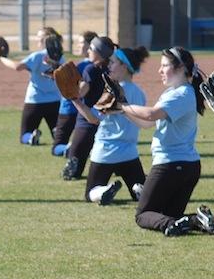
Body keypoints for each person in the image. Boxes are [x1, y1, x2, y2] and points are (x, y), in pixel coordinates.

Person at [121, 46, 214, 236]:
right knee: (169, 215)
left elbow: (151, 114)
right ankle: (197, 219)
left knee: (143, 215)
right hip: (186, 166)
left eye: (165, 65)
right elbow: (146, 123)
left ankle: (170, 225)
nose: (160, 70)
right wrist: (122, 110)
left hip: (170, 165)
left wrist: (122, 105)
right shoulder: (175, 92)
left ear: (181, 68)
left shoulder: (181, 93)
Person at [72, 45, 149, 204]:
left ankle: (103, 191)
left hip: (105, 151)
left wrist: (74, 99)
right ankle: (139, 189)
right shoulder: (139, 92)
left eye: (113, 62)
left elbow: (93, 118)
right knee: (139, 193)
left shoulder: (113, 91)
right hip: (129, 152)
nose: (109, 66)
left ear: (125, 66)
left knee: (90, 194)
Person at [61, 36, 117, 180]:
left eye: (91, 48)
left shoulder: (91, 69)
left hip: (86, 120)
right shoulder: (112, 68)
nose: (88, 51)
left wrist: (68, 86)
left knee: (73, 169)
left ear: (99, 53)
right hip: (108, 118)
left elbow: (80, 93)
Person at [0, 26, 63, 146]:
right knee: (59, 135)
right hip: (55, 100)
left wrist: (2, 58)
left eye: (39, 37)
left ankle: (30, 138)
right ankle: (57, 134)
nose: (37, 40)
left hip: (35, 101)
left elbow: (17, 66)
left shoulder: (37, 56)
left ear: (46, 40)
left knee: (24, 134)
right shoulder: (60, 57)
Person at [52, 31, 96, 157]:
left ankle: (68, 148)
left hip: (69, 109)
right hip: (87, 111)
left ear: (90, 46)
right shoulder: (99, 65)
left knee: (56, 147)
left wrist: (54, 73)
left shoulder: (83, 65)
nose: (78, 45)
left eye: (81, 42)